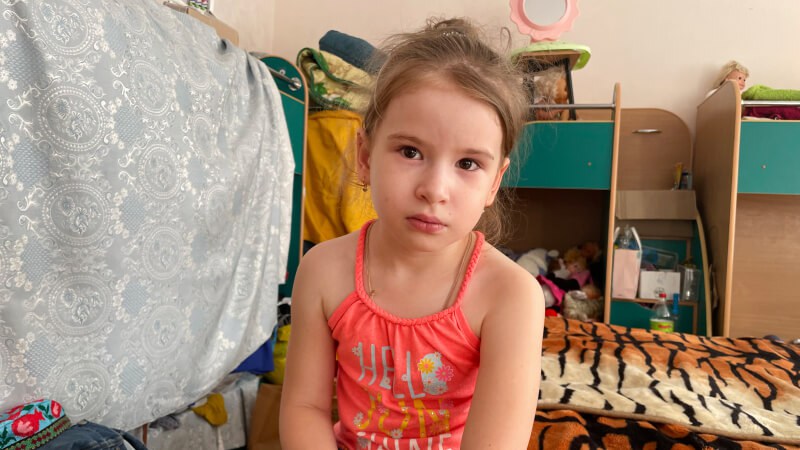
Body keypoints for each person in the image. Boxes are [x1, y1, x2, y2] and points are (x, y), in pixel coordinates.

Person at [280, 17, 545, 450]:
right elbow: (304, 407)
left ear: (494, 182)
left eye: (468, 164)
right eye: (410, 151)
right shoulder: (323, 270)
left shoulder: (511, 296)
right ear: (365, 156)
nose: (434, 190)